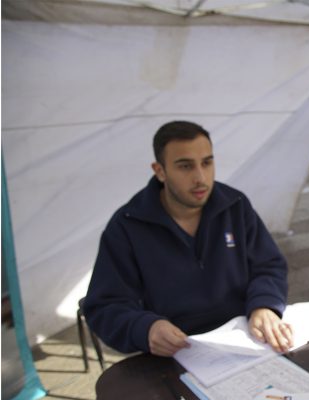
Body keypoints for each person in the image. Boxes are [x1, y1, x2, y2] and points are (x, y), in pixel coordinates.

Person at [83, 121, 293, 357]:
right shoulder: (126, 226)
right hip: (173, 353)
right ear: (160, 171)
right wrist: (145, 329)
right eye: (185, 166)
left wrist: (264, 304)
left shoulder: (235, 206)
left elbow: (269, 265)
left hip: (245, 339)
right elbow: (104, 306)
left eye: (207, 162)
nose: (200, 178)